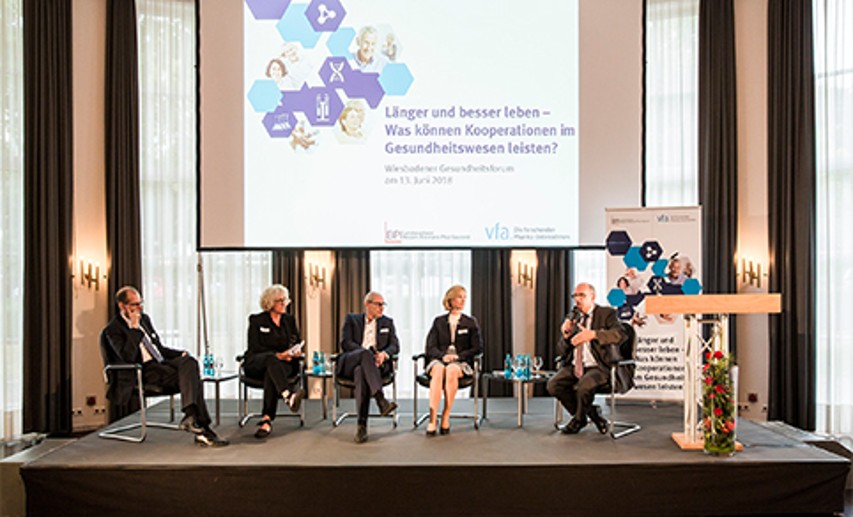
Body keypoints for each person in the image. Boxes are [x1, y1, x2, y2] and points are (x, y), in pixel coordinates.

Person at [103, 286, 228, 447]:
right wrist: (134, 329)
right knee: (192, 379)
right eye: (135, 304)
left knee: (189, 362)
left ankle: (192, 418)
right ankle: (200, 425)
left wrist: (179, 353)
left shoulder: (145, 319)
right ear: (122, 306)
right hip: (142, 371)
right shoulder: (113, 330)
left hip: (161, 363)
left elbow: (158, 348)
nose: (139, 308)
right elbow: (127, 357)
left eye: (141, 303)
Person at [547, 282, 627, 435]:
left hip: (599, 366)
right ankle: (593, 415)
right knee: (553, 385)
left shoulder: (606, 313)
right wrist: (565, 336)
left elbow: (620, 335)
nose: (577, 299)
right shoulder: (574, 318)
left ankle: (578, 420)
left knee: (585, 385)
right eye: (575, 296)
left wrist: (594, 334)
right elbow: (562, 352)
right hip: (575, 366)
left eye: (581, 295)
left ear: (593, 297)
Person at [337, 291, 399, 443]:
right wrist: (365, 354)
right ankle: (380, 398)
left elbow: (395, 346)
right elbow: (346, 343)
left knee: (361, 373)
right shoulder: (352, 319)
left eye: (383, 304)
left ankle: (361, 426)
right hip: (351, 361)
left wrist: (384, 354)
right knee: (364, 355)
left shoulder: (387, 322)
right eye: (378, 304)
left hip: (375, 366)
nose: (382, 308)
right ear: (367, 304)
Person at [244, 285, 306, 439]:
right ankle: (287, 394)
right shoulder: (257, 320)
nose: (283, 303)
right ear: (270, 303)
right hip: (257, 362)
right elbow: (255, 347)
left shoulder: (289, 320)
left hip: (282, 365)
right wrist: (279, 355)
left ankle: (266, 420)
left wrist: (295, 351)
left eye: (285, 300)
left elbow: (295, 341)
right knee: (271, 360)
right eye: (279, 301)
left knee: (271, 373)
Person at [423, 285, 482, 436]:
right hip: (439, 359)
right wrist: (443, 356)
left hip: (460, 362)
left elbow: (477, 348)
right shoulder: (438, 322)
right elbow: (430, 347)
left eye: (464, 297)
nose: (463, 300)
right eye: (459, 297)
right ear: (450, 299)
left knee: (451, 370)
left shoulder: (470, 322)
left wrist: (458, 357)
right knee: (438, 370)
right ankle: (432, 418)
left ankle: (445, 415)